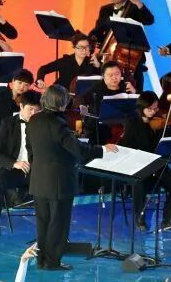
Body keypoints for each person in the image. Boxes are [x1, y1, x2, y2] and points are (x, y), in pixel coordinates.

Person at [26, 85, 115, 270]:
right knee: (58, 223)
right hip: (59, 181)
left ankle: (41, 260)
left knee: (43, 223)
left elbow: (30, 149)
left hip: (39, 179)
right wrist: (102, 149)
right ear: (62, 102)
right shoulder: (58, 123)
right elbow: (78, 149)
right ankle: (52, 262)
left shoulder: (34, 119)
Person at [119, 92, 171, 231]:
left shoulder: (159, 123)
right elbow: (128, 147)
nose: (154, 111)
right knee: (139, 182)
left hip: (157, 164)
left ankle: (170, 220)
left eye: (155, 108)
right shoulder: (132, 122)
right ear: (141, 107)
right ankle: (139, 217)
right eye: (150, 108)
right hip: (137, 164)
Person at [0, 90, 41, 238]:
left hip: (36, 171)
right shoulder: (8, 123)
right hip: (15, 170)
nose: (33, 114)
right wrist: (14, 163)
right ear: (21, 106)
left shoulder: (42, 124)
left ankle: (49, 228)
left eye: (36, 110)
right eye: (30, 109)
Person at [88, 0, 154, 92]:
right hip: (108, 54)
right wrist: (92, 38)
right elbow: (97, 30)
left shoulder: (134, 8)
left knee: (135, 85)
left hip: (130, 57)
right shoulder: (105, 9)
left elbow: (149, 20)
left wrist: (138, 3)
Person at [77, 61, 135, 145]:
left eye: (117, 74)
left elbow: (140, 105)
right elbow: (80, 99)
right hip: (99, 127)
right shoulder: (97, 88)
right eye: (110, 75)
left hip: (123, 127)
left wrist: (134, 92)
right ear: (103, 76)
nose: (114, 78)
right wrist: (81, 106)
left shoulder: (126, 87)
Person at [37, 32, 101, 90]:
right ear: (74, 47)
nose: (84, 50)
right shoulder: (66, 61)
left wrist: (98, 66)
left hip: (82, 96)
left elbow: (99, 80)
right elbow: (43, 69)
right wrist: (40, 80)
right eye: (81, 47)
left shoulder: (91, 61)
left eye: (86, 47)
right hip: (62, 95)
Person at [0, 70, 34, 140]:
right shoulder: (0, 97)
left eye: (26, 85)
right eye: (19, 83)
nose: (22, 87)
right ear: (13, 81)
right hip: (1, 133)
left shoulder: (29, 99)